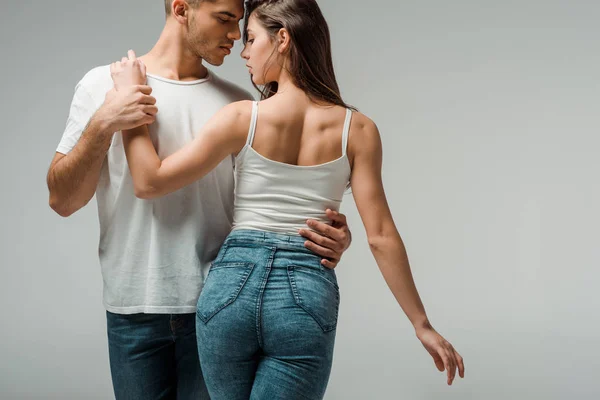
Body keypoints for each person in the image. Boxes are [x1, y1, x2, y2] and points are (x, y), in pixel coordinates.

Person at [111, 0, 465, 399]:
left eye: (250, 38)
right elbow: (381, 235)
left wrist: (130, 101)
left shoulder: (242, 117)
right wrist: (421, 324)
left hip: (230, 288)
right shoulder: (359, 130)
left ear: (282, 38)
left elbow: (149, 180)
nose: (243, 51)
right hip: (304, 289)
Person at [46, 0, 351, 398]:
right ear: (180, 9)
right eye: (224, 18)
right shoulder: (101, 86)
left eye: (240, 24)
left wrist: (327, 234)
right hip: (131, 304)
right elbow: (62, 200)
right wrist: (106, 119)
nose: (234, 35)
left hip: (217, 305)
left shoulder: (242, 104)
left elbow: (272, 206)